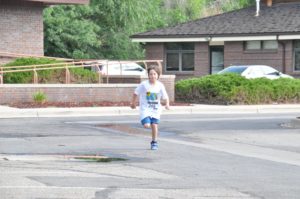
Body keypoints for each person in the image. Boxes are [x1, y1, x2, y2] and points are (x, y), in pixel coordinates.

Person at [130, 65, 170, 150]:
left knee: (154, 125)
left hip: (156, 109)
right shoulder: (144, 84)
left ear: (158, 75)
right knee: (147, 125)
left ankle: (154, 142)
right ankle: (145, 121)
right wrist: (133, 103)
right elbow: (135, 93)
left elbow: (165, 96)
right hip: (145, 109)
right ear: (148, 75)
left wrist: (167, 104)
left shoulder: (160, 85)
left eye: (154, 74)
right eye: (151, 74)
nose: (153, 76)